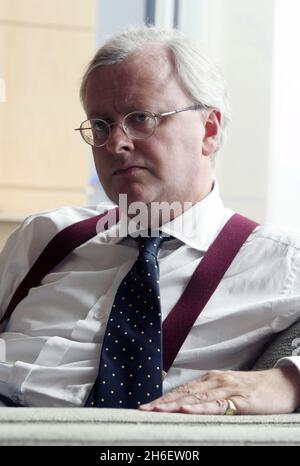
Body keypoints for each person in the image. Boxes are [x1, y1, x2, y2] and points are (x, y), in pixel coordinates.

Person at [0, 26, 299, 414]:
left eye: (140, 118)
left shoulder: (280, 261)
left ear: (208, 130)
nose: (115, 143)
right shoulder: (46, 234)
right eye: (101, 125)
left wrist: (289, 380)